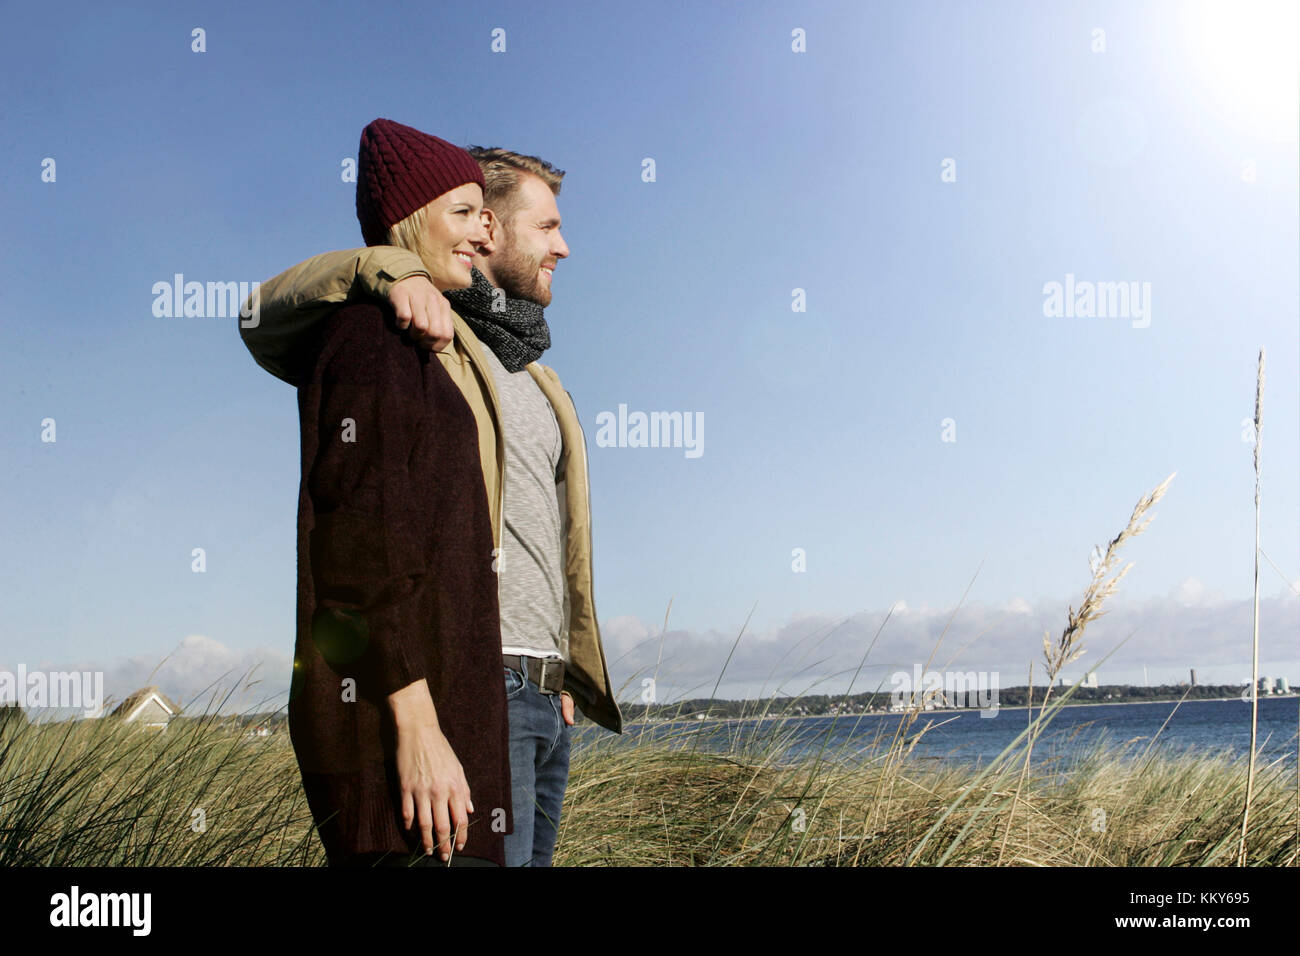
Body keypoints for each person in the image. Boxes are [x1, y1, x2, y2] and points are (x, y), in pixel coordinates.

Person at [241, 118, 623, 867]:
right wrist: (386, 269)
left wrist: (563, 664)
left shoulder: (539, 377)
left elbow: (547, 534)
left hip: (541, 691)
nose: (564, 246)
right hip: (470, 674)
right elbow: (265, 313)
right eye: (544, 226)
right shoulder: (411, 326)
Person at [285, 121, 508, 867]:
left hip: (438, 728)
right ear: (407, 220)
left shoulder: (414, 346)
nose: (484, 230)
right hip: (398, 740)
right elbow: (360, 546)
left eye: (486, 212)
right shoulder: (368, 337)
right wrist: (415, 722)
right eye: (464, 211)